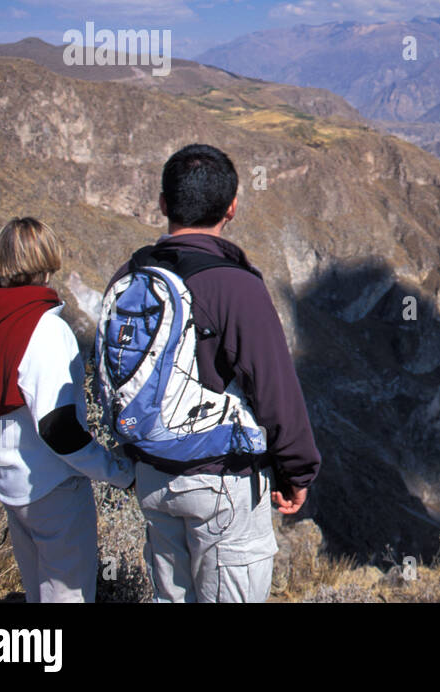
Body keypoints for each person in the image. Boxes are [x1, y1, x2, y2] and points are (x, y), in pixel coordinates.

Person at [101, 143, 320, 603]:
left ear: (163, 204)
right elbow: (274, 386)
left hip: (153, 476)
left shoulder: (132, 276)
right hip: (221, 479)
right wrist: (296, 470)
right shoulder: (236, 285)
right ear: (232, 207)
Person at [0, 217, 135, 603]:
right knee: (66, 596)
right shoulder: (44, 329)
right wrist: (119, 473)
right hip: (53, 486)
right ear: (46, 258)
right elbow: (58, 428)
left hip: (11, 481)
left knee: (37, 593)